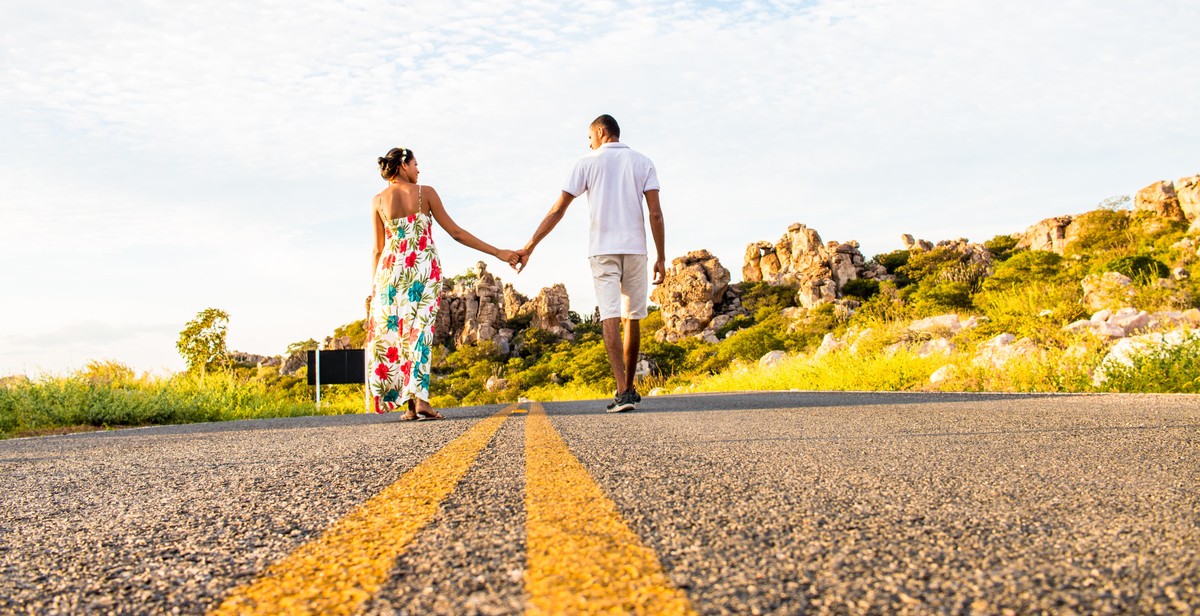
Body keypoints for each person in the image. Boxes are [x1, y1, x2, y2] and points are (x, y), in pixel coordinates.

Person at [516, 115, 665, 413]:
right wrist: (661, 256)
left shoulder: (586, 162)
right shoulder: (643, 162)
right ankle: (630, 390)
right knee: (632, 317)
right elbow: (655, 214)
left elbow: (558, 209)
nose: (589, 143)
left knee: (609, 314)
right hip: (636, 249)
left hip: (602, 249)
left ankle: (622, 390)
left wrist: (530, 245)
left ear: (600, 131)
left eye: (590, 137)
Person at [367, 147, 519, 420]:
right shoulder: (425, 193)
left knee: (399, 336)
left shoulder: (378, 201)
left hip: (390, 273)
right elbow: (457, 233)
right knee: (420, 333)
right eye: (415, 164)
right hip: (423, 269)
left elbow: (378, 250)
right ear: (403, 164)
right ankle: (421, 401)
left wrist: (374, 287)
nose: (418, 170)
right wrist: (497, 252)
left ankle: (410, 405)